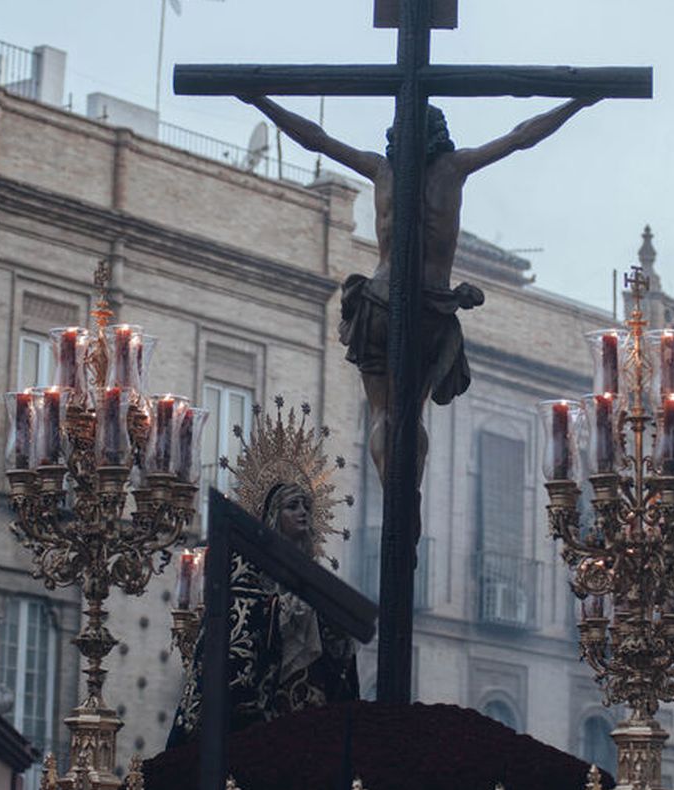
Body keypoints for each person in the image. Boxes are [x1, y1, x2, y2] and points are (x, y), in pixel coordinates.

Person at [242, 96, 597, 483]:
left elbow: (316, 139)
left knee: (382, 412)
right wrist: (576, 103)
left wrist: (260, 100)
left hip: (378, 302)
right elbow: (521, 137)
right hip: (429, 309)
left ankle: (391, 490)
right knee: (412, 414)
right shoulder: (455, 167)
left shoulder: (381, 170)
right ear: (439, 135)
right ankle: (407, 497)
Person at [167, 401, 357, 747]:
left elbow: (338, 654)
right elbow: (236, 629)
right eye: (292, 506)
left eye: (306, 507)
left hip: (307, 712)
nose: (302, 513)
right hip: (258, 712)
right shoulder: (247, 567)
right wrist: (281, 613)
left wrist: (334, 626)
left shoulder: (313, 576)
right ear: (272, 514)